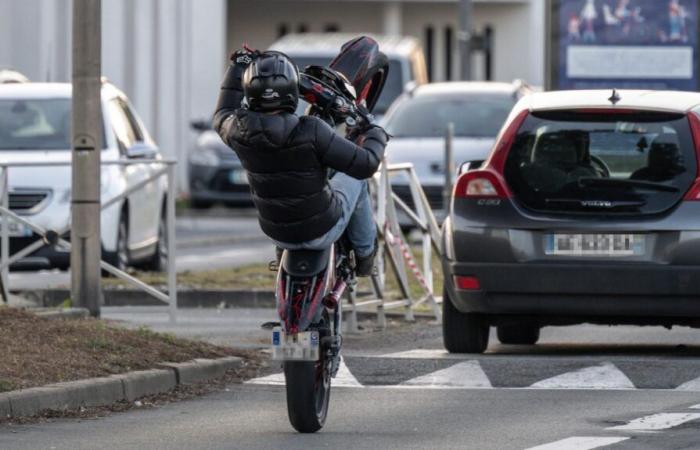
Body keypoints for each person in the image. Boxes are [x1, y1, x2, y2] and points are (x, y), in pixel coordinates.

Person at [212, 48, 388, 276]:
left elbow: (222, 113)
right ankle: (365, 258)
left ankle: (281, 254)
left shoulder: (237, 130)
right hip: (323, 229)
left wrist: (237, 66)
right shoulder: (313, 130)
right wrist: (375, 133)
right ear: (291, 89)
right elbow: (366, 165)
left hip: (276, 233)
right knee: (355, 179)